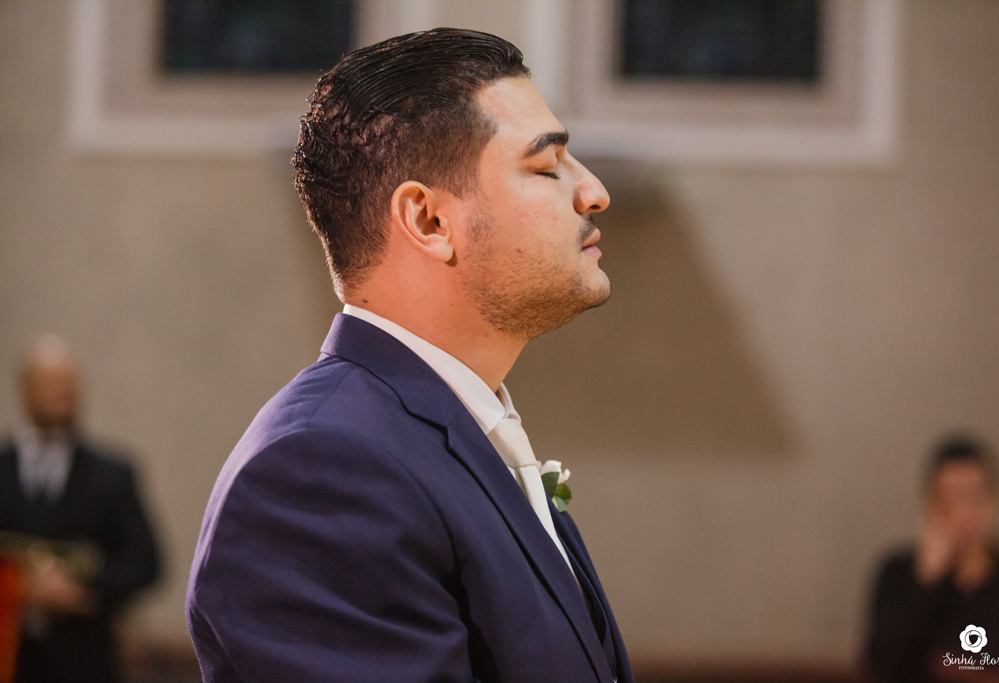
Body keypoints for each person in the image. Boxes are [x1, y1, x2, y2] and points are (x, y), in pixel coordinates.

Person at [186, 28, 633, 683]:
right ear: (428, 220)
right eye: (547, 166)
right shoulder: (320, 472)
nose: (593, 191)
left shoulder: (436, 431)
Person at [0, 334, 161, 683]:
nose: (64, 393)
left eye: (71, 384)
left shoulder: (112, 475)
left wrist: (83, 588)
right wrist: (20, 589)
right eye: (52, 383)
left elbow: (146, 562)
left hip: (85, 661)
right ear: (25, 390)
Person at [865, 436, 999, 682]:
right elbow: (881, 666)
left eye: (974, 496)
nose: (963, 512)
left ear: (995, 499)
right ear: (929, 502)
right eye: (950, 498)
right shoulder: (899, 575)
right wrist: (925, 580)